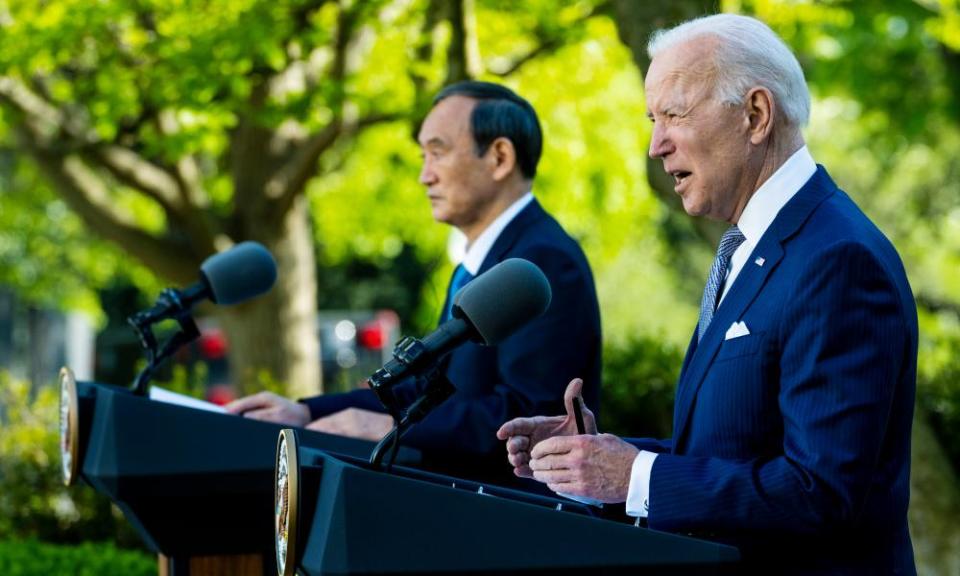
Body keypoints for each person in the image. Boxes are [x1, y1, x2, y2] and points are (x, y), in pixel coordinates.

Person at [497, 14, 917, 574]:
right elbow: (739, 456)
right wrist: (600, 460)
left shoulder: (838, 258)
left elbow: (821, 491)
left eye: (673, 114)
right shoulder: (752, 246)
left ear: (756, 115)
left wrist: (636, 476)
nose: (655, 145)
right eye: (653, 119)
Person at [228, 81, 602, 487]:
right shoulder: (480, 263)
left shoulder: (539, 263)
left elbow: (529, 417)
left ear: (499, 157)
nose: (425, 176)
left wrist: (389, 425)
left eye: (438, 153)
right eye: (423, 156)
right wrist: (306, 413)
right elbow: (428, 392)